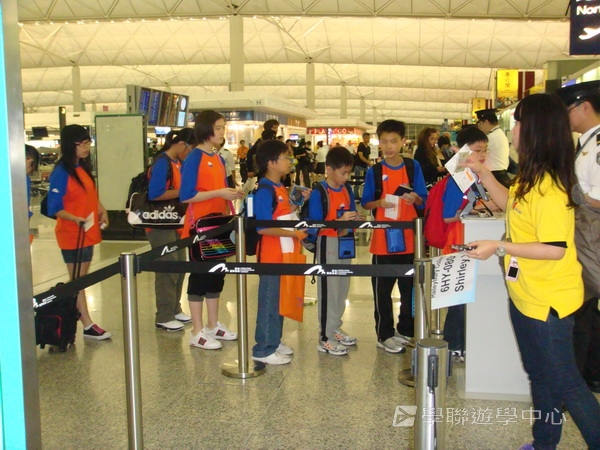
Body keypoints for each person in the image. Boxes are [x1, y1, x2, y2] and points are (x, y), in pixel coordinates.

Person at [463, 93, 600, 450]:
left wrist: (498, 246)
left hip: (548, 305)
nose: (514, 130)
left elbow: (555, 249)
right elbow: (511, 204)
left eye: (520, 123)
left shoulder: (550, 187)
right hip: (525, 295)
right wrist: (483, 174)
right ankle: (544, 443)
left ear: (536, 130)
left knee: (567, 383)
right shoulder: (530, 176)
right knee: (539, 374)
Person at [361, 119, 428, 353]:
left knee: (409, 288)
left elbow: (423, 198)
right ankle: (384, 334)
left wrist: (415, 198)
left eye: (393, 141)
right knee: (382, 290)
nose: (388, 146)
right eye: (384, 142)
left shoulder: (412, 166)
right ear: (378, 143)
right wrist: (379, 203)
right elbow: (366, 202)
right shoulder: (375, 171)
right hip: (383, 239)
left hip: (409, 238)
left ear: (403, 142)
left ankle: (405, 330)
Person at [180, 110, 244, 350]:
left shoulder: (218, 158)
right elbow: (187, 195)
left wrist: (231, 193)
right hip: (199, 225)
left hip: (218, 224)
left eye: (222, 127)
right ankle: (197, 331)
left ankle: (213, 323)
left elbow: (219, 190)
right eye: (218, 127)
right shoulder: (194, 158)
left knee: (217, 274)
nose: (222, 132)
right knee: (199, 276)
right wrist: (219, 192)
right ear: (205, 129)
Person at [47, 124, 111, 340]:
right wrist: (76, 219)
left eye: (87, 143)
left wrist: (100, 209)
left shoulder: (82, 168)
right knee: (78, 281)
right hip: (72, 234)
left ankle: (83, 321)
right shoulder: (61, 172)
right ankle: (87, 324)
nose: (85, 147)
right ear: (69, 145)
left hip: (87, 232)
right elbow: (54, 207)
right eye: (80, 144)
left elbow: (89, 195)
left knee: (81, 279)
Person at [556, 79, 600, 394]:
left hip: (591, 236)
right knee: (586, 309)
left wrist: (576, 197)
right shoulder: (586, 142)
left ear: (585, 106)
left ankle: (577, 379)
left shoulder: (597, 146)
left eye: (568, 110)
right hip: (583, 233)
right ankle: (589, 372)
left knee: (581, 308)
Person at [252, 139, 308, 365]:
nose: (289, 161)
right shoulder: (264, 190)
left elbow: (282, 213)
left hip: (285, 254)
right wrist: (294, 234)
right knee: (270, 301)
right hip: (272, 256)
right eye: (285, 157)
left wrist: (298, 202)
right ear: (271, 162)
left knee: (280, 299)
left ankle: (274, 340)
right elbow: (263, 227)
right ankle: (263, 348)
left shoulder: (279, 187)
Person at [308, 146, 360, 355]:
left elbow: (352, 210)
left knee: (342, 287)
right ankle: (324, 337)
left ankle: (335, 326)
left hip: (345, 242)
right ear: (329, 169)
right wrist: (338, 221)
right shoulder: (319, 192)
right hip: (327, 242)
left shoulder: (346, 189)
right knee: (329, 290)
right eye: (343, 173)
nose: (346, 178)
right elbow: (315, 223)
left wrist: (354, 218)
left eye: (348, 173)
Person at [147, 128, 194, 332]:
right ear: (182, 144)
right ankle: (164, 314)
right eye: (191, 149)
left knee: (180, 264)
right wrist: (183, 192)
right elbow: (155, 194)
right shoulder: (162, 163)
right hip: (160, 222)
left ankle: (175, 308)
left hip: (175, 221)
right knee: (167, 266)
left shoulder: (178, 162)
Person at [475, 108, 512, 188]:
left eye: (480, 124)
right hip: (500, 175)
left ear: (486, 122)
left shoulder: (491, 137)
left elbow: (474, 153)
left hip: (495, 176)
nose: (479, 127)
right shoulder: (498, 134)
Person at [353, 132, 372, 198]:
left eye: (369, 138)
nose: (368, 139)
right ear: (363, 138)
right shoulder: (361, 145)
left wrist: (369, 163)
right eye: (367, 137)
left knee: (365, 182)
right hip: (359, 166)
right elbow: (361, 156)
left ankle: (364, 195)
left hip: (365, 166)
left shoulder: (368, 148)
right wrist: (368, 162)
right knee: (357, 182)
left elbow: (368, 157)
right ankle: (356, 196)